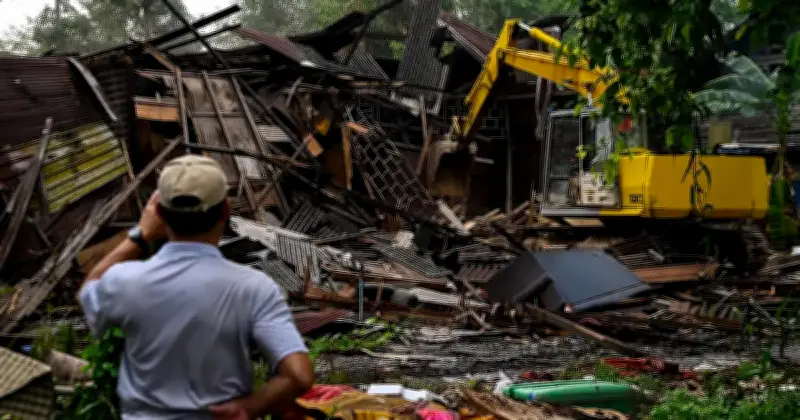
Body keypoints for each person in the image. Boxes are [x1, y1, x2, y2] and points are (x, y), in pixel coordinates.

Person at [79, 155, 313, 420]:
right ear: (226, 210)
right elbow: (298, 376)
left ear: (160, 214)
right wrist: (248, 408)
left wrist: (140, 234)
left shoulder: (126, 281)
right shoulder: (254, 288)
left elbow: (90, 287)